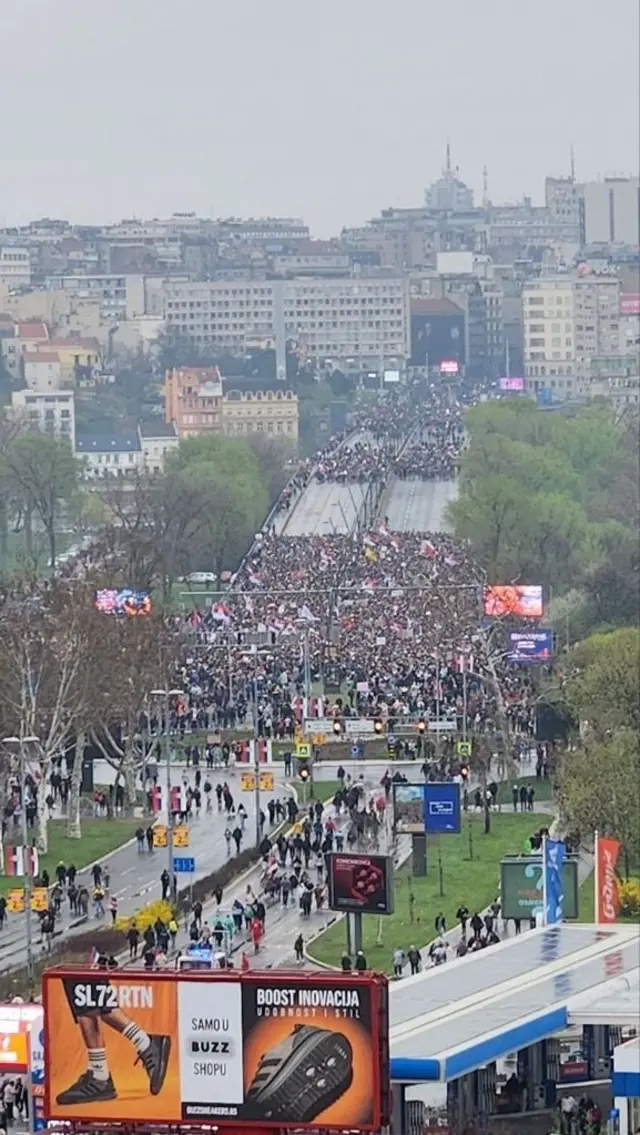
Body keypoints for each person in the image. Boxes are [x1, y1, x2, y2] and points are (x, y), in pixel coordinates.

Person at [53, 976, 171, 1104]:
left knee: (85, 1004)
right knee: (101, 1003)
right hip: (84, 959)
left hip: (79, 959)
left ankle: (100, 1077)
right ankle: (145, 1043)